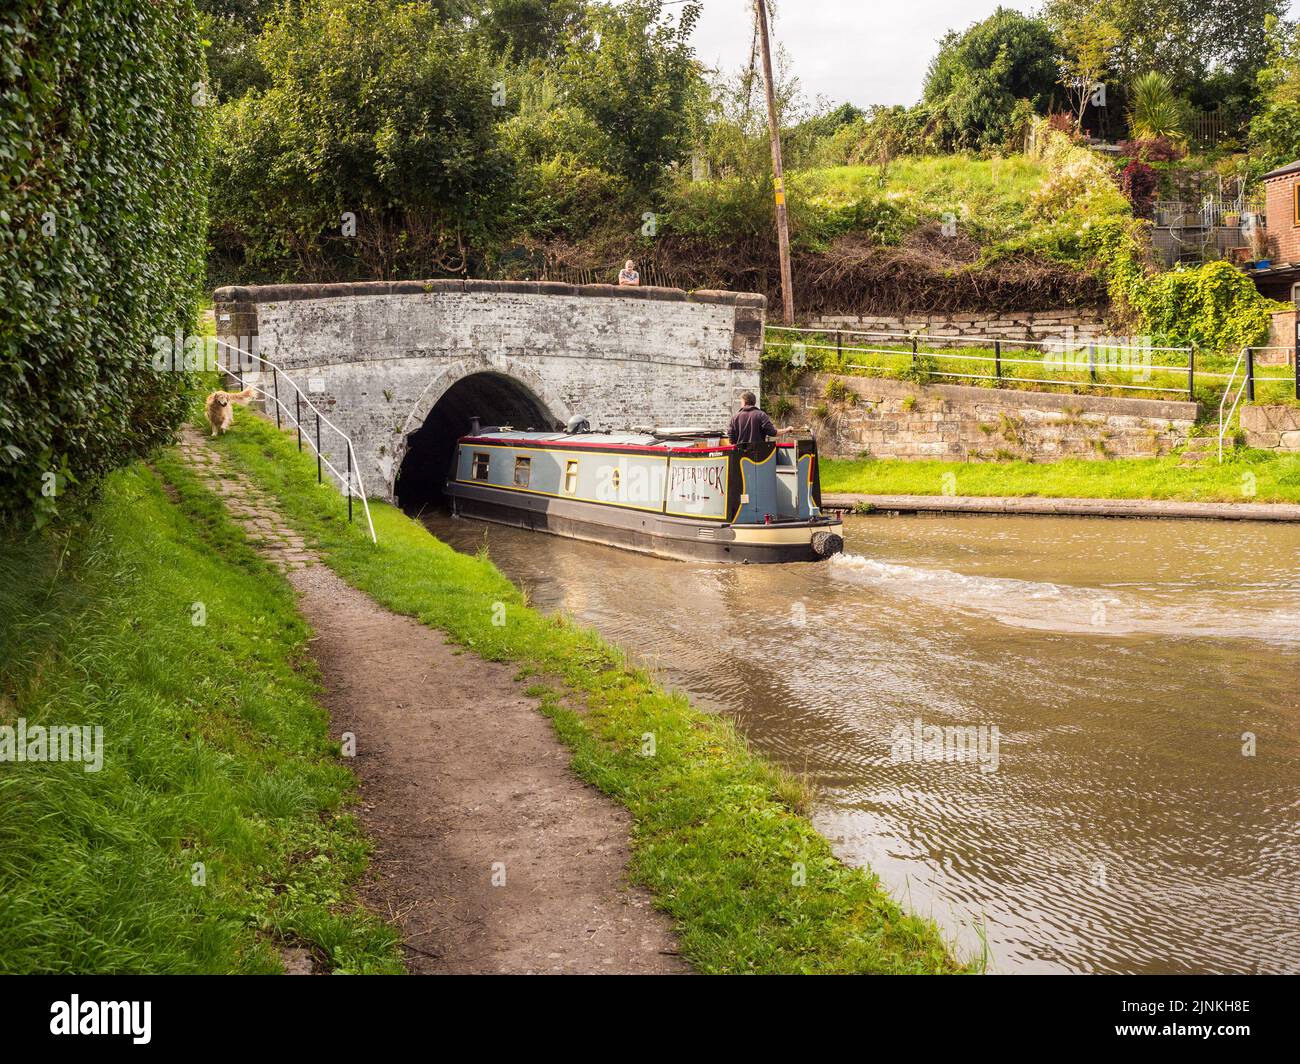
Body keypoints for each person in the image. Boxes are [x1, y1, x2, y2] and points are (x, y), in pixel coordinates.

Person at [727, 392, 792, 444]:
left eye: (741, 402)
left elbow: (731, 439)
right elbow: (772, 432)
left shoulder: (734, 418)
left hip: (740, 456)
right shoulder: (761, 415)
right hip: (759, 455)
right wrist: (786, 430)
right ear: (754, 402)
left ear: (744, 402)